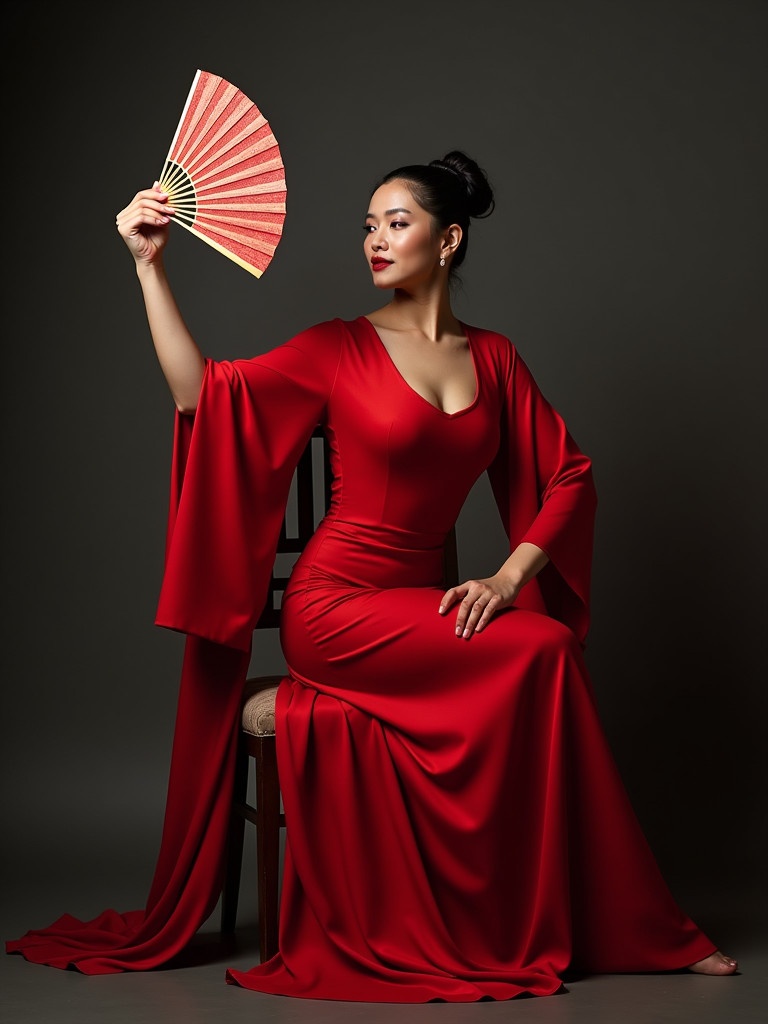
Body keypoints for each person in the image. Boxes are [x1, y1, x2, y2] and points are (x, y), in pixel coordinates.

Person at [8, 151, 737, 998]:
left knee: (538, 654)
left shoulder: (494, 359)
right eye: (367, 225)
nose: (375, 240)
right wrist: (149, 265)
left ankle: (555, 917)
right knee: (541, 657)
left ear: (450, 239)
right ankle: (638, 926)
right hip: (336, 609)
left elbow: (570, 476)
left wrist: (506, 578)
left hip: (420, 607)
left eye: (397, 222)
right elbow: (202, 400)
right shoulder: (336, 347)